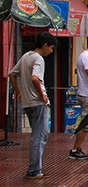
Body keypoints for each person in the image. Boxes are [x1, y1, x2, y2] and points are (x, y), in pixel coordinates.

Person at [9, 32, 57, 179]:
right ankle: (34, 170)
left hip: (27, 102)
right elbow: (35, 78)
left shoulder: (26, 56)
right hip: (38, 102)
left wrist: (19, 92)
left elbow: (12, 74)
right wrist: (42, 95)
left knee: (37, 135)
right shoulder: (38, 59)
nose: (51, 51)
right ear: (44, 46)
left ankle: (35, 168)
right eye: (51, 48)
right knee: (39, 136)